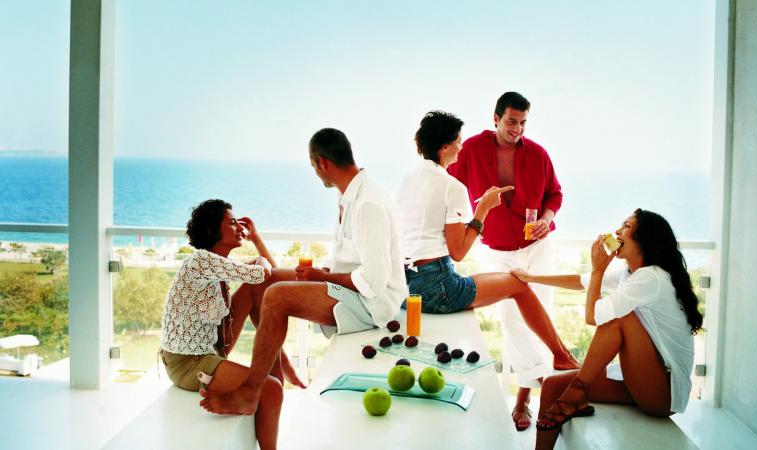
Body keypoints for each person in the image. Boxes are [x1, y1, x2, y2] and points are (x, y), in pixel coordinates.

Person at [199, 128, 408, 419]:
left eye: (314, 167)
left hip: (372, 304)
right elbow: (352, 261)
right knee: (262, 281)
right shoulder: (349, 196)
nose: (316, 173)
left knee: (277, 296)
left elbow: (373, 282)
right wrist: (322, 272)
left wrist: (323, 277)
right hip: (351, 288)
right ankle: (273, 381)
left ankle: (249, 393)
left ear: (322, 162)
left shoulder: (368, 203)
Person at [395, 112, 579, 419]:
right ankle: (562, 358)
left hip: (405, 287)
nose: (461, 147)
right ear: (444, 146)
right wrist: (483, 209)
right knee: (519, 284)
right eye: (457, 142)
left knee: (512, 285)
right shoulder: (451, 186)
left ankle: (553, 366)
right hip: (439, 289)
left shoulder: (408, 180)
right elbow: (458, 252)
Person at [511, 209, 703, 450]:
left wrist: (598, 270)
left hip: (664, 393)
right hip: (639, 380)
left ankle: (578, 393)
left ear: (645, 239)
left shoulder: (651, 277)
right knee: (552, 386)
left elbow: (593, 317)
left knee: (619, 318)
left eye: (626, 226)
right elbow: (580, 281)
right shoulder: (629, 273)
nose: (617, 232)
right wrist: (531, 278)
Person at [447, 91, 565, 430]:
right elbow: (450, 188)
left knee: (541, 315)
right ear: (496, 118)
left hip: (537, 246)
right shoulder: (471, 149)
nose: (518, 129)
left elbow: (555, 194)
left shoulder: (538, 154)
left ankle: (524, 398)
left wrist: (546, 218)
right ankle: (550, 385)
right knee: (512, 320)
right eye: (512, 121)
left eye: (523, 122)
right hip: (496, 250)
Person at [159, 199, 305, 450]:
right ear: (212, 229)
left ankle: (283, 363)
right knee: (271, 389)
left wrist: (258, 248)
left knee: (257, 288)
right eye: (232, 223)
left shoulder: (220, 266)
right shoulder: (200, 261)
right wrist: (260, 260)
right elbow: (264, 272)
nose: (240, 228)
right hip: (187, 362)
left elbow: (268, 280)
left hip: (213, 346)